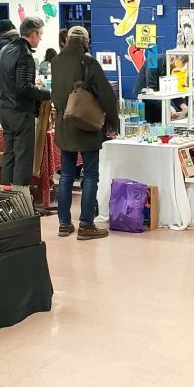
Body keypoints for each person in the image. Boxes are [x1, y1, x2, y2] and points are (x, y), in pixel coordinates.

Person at [50, 26, 118, 241]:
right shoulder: (89, 62)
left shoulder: (55, 62)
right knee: (90, 175)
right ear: (85, 42)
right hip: (86, 123)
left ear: (67, 40)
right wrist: (113, 121)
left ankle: (64, 223)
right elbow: (106, 94)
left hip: (64, 122)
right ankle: (86, 225)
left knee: (66, 175)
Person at [0, 16, 51, 187]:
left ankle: (5, 196)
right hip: (20, 112)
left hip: (5, 109)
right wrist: (48, 94)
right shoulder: (25, 54)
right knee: (23, 158)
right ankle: (20, 198)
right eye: (40, 34)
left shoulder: (4, 50)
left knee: (9, 155)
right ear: (33, 34)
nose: (40, 39)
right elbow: (24, 87)